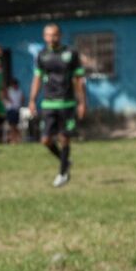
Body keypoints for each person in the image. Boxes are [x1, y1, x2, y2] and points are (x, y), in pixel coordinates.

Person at [28, 23, 86, 188]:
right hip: (48, 103)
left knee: (64, 138)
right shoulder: (41, 56)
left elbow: (78, 80)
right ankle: (65, 160)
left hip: (67, 103)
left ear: (60, 35)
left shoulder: (71, 54)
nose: (51, 38)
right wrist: (32, 100)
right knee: (45, 140)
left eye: (54, 35)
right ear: (44, 36)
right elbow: (37, 78)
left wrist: (82, 102)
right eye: (48, 35)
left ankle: (62, 174)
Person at [4, 78, 24, 144]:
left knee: (15, 125)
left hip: (16, 110)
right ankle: (14, 139)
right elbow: (4, 97)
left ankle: (16, 138)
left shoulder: (19, 91)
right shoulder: (9, 91)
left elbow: (22, 99)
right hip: (10, 110)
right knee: (12, 125)